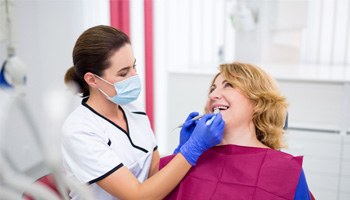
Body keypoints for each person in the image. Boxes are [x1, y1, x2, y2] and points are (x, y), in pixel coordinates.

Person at [61, 25, 225, 200]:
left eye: (134, 66)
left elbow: (153, 173)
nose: (134, 76)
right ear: (92, 80)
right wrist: (192, 149)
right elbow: (138, 196)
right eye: (123, 73)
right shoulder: (79, 131)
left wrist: (179, 152)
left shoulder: (133, 109)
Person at [160, 62, 312, 200]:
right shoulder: (188, 160)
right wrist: (180, 153)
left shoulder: (287, 170)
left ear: (258, 101)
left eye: (229, 85)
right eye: (212, 89)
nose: (213, 95)